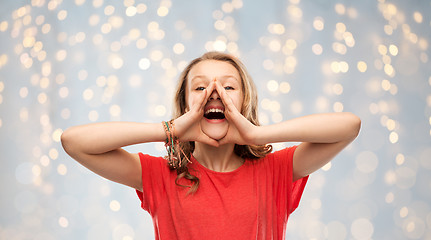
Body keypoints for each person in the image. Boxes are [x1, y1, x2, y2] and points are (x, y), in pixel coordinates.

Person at [61, 51, 361, 240]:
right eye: (200, 87)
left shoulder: (276, 170)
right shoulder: (161, 174)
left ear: (245, 102)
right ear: (185, 104)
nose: (213, 93)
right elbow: (74, 142)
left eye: (228, 87)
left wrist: (256, 135)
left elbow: (349, 126)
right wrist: (172, 129)